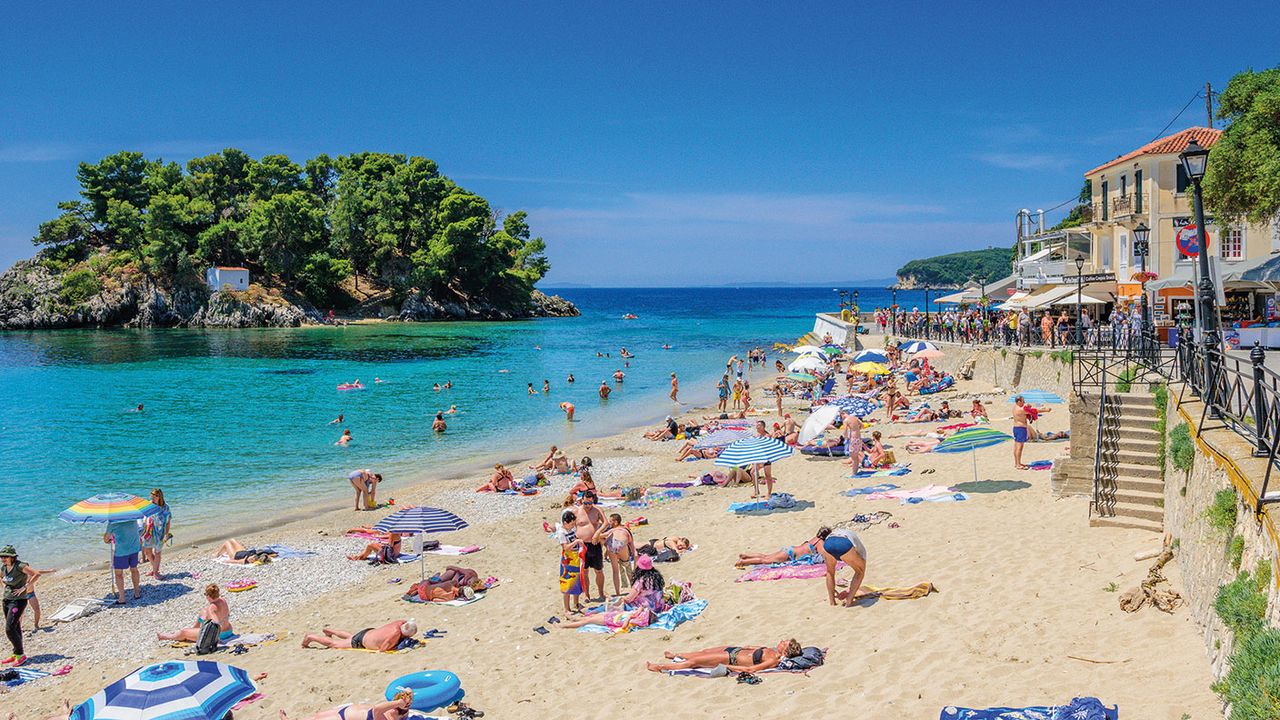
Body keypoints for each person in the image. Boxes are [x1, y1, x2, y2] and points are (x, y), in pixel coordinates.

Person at [557, 554, 667, 630]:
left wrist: (618, 599)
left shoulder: (641, 581)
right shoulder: (656, 578)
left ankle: (587, 612)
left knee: (614, 603)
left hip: (640, 608)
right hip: (656, 608)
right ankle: (585, 614)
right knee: (613, 603)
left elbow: (629, 598)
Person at [645, 639, 804, 673]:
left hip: (729, 659)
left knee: (695, 662)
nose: (782, 640)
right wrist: (746, 646)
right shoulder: (771, 650)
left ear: (785, 651)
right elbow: (755, 648)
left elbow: (750, 669)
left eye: (785, 642)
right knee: (704, 652)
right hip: (734, 650)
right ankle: (676, 655)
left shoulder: (772, 660)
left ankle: (660, 667)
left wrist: (728, 667)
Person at [157, 583, 232, 642]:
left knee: (184, 632)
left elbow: (216, 624)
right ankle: (193, 629)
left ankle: (165, 636)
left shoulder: (211, 608)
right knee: (203, 612)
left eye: (205, 594)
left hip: (220, 635)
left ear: (208, 596)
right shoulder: (223, 600)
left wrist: (218, 640)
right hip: (229, 630)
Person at [1, 546, 38, 666]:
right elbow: (1, 576)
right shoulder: (4, 567)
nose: (3, 559)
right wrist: (3, 586)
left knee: (9, 629)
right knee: (16, 627)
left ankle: (21, 655)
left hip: (18, 601)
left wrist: (24, 587)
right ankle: (16, 653)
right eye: (1, 556)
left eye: (5, 556)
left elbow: (36, 574)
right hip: (6, 600)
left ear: (12, 557)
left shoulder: (20, 566)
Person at [277, 689, 414, 720]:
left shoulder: (388, 718)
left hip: (342, 719)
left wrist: (399, 703)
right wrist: (404, 697)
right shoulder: (397, 710)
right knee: (316, 715)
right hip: (345, 709)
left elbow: (377, 708)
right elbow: (409, 692)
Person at [817, 526, 867, 607]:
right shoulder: (856, 540)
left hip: (828, 544)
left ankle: (832, 601)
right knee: (860, 572)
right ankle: (849, 600)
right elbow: (862, 556)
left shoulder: (832, 534)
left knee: (830, 572)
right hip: (843, 543)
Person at [301, 619, 418, 651]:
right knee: (334, 644)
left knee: (351, 636)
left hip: (368, 632)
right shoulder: (395, 635)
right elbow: (383, 649)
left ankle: (330, 632)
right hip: (361, 641)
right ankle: (311, 637)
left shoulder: (400, 622)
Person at [573, 491, 607, 601]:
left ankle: (601, 593)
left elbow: (606, 523)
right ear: (581, 501)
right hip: (582, 545)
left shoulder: (597, 510)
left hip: (594, 544)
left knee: (598, 570)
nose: (588, 506)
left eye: (590, 503)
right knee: (584, 571)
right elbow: (568, 525)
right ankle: (586, 594)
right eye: (586, 503)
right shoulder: (576, 511)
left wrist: (598, 533)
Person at [597, 513, 636, 596]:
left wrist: (598, 536)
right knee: (628, 567)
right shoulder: (625, 530)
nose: (609, 523)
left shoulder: (611, 531)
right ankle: (633, 589)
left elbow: (600, 536)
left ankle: (618, 593)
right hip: (621, 545)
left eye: (610, 521)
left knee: (615, 571)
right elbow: (632, 545)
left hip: (611, 547)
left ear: (615, 522)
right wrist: (634, 556)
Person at [104, 519, 142, 604]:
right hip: (134, 548)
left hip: (121, 551)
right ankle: (137, 592)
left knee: (118, 574)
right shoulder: (133, 518)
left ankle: (122, 598)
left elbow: (106, 539)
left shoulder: (113, 522)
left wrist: (108, 539)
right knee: (134, 569)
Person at [736, 533, 822, 566]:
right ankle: (743, 562)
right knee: (765, 560)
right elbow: (824, 555)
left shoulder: (814, 539)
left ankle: (746, 556)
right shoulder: (820, 543)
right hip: (789, 553)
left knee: (766, 556)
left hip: (790, 549)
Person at [558, 509, 585, 614]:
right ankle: (566, 608)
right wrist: (577, 542)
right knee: (567, 583)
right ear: (565, 523)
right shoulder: (562, 533)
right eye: (571, 524)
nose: (572, 525)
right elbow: (566, 547)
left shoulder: (572, 530)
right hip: (568, 561)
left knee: (577, 581)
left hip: (576, 558)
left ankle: (576, 603)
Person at [142, 488, 172, 579]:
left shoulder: (165, 507)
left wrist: (167, 534)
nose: (153, 498)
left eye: (155, 496)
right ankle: (155, 569)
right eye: (152, 496)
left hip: (160, 533)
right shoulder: (149, 505)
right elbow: (144, 518)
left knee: (157, 552)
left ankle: (155, 572)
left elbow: (168, 522)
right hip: (149, 532)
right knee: (147, 552)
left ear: (160, 496)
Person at [214, 539, 278, 565]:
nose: (251, 558)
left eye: (251, 559)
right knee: (232, 540)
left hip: (234, 556)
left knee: (227, 543)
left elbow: (235, 561)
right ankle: (225, 552)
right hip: (243, 551)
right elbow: (274, 554)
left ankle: (218, 554)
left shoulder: (246, 560)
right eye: (253, 558)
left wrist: (224, 561)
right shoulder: (259, 555)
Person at [1012, 395, 1030, 470]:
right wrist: (1046, 410)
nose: (1024, 402)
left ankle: (1017, 463)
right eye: (1023, 401)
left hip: (1016, 428)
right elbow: (1033, 411)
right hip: (1021, 428)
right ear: (1019, 401)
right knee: (1019, 447)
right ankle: (1018, 464)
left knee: (1016, 446)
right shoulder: (1020, 409)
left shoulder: (1015, 408)